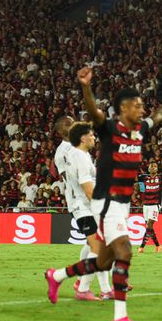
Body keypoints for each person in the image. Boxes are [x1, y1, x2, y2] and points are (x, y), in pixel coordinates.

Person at [45, 66, 162, 321]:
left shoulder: (139, 130)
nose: (142, 110)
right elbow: (93, 113)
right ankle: (120, 316)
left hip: (122, 203)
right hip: (105, 202)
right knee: (124, 250)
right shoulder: (109, 129)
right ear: (123, 109)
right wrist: (86, 87)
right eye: (137, 106)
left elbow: (160, 114)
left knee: (104, 260)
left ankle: (57, 275)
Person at [52, 115, 112, 300]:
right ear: (63, 130)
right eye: (70, 124)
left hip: (87, 201)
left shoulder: (81, 151)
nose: (74, 125)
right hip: (81, 202)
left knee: (95, 245)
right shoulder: (67, 152)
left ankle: (96, 285)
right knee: (98, 246)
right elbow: (72, 179)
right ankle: (84, 284)